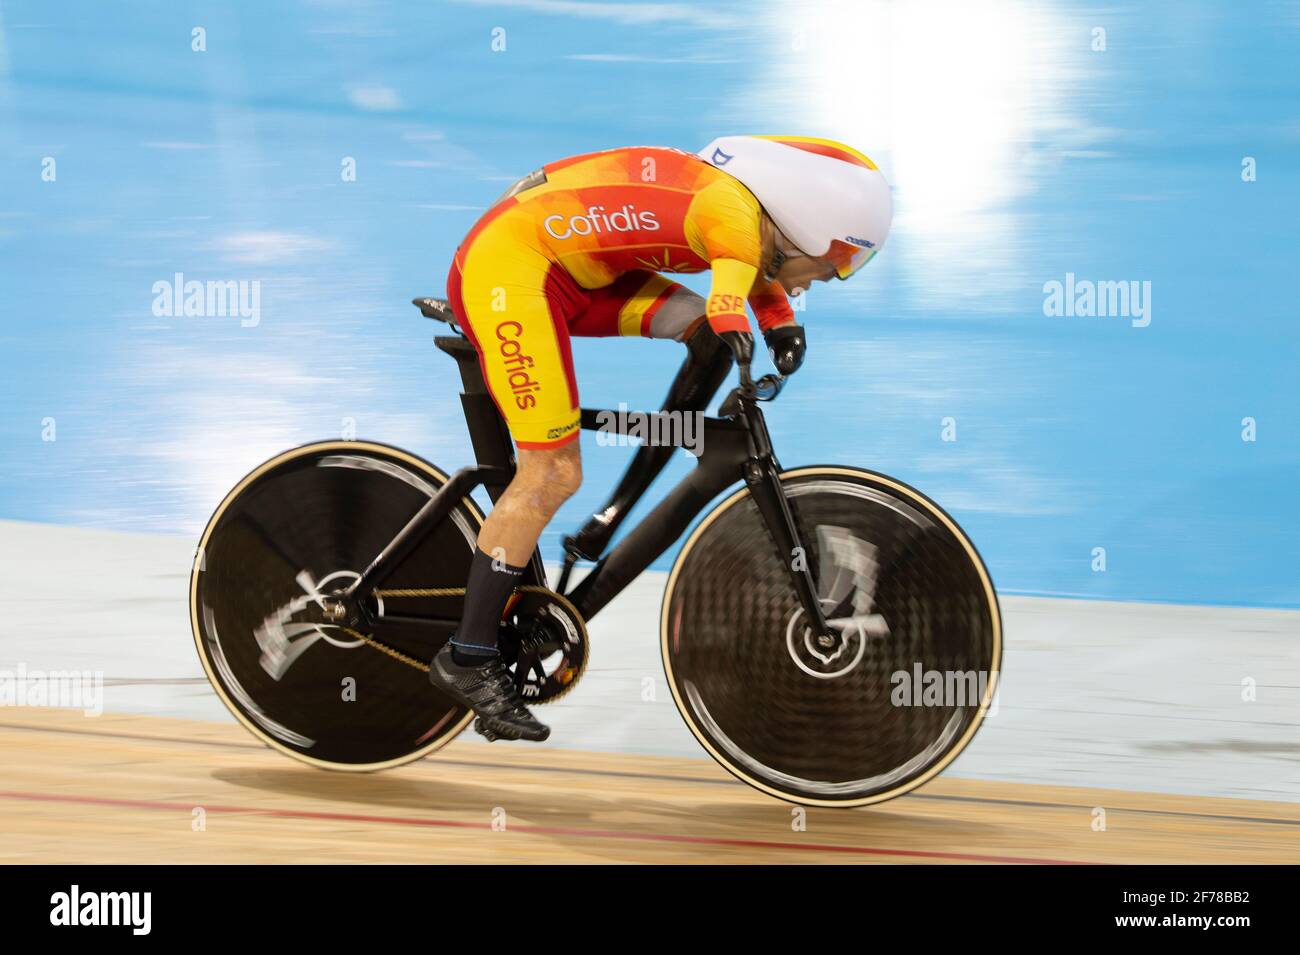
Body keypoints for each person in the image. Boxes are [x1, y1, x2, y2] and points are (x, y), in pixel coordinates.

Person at [427, 135, 894, 741]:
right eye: (841, 258)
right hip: (511, 270)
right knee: (552, 471)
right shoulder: (728, 213)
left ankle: (614, 512)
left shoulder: (746, 216)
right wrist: (756, 328)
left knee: (706, 341)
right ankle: (467, 656)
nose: (834, 275)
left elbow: (747, 271)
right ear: (807, 223)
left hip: (574, 270)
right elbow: (730, 293)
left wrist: (780, 324)